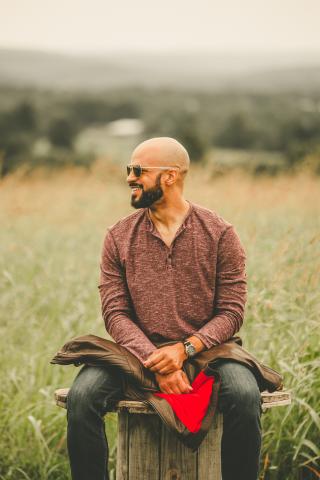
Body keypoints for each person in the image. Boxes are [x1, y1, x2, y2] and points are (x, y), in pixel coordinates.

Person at [66, 137, 262, 480]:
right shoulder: (118, 236)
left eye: (138, 170)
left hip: (207, 353)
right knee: (81, 398)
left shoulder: (219, 233)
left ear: (170, 176)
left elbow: (231, 311)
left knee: (246, 396)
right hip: (134, 354)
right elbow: (115, 313)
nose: (129, 177)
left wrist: (185, 349)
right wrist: (156, 361)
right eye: (129, 169)